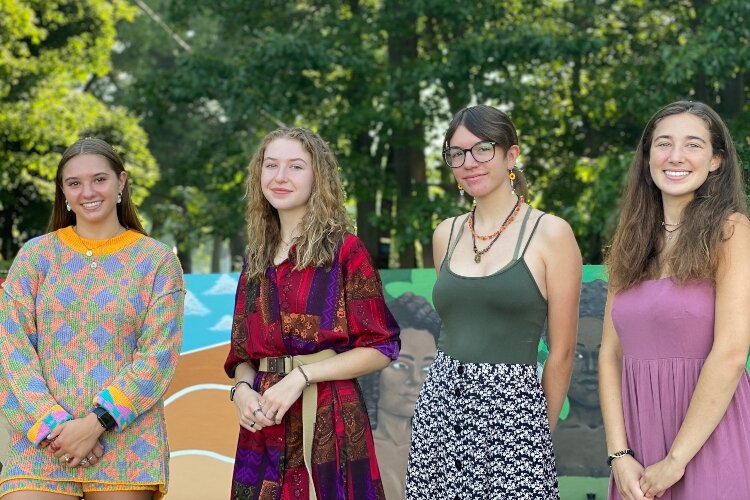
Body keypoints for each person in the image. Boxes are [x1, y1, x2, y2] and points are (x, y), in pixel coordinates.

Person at [405, 104, 581, 499]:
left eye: (483, 149)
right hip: (441, 408)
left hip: (516, 412)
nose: (470, 162)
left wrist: (535, 430)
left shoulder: (551, 233)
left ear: (511, 155)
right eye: (457, 153)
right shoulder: (444, 234)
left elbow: (563, 351)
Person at [0, 137, 185, 499]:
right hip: (41, 447)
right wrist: (59, 429)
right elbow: (13, 353)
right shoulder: (34, 257)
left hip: (128, 446)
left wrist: (96, 423)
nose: (88, 191)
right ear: (63, 192)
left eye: (99, 179)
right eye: (74, 183)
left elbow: (158, 358)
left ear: (121, 182)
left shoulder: (158, 262)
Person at [225, 127, 400, 500]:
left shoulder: (346, 252)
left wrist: (301, 376)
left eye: (296, 166)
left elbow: (381, 346)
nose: (280, 177)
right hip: (263, 429)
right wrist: (241, 390)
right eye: (271, 165)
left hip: (330, 420)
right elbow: (242, 357)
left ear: (318, 177)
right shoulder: (255, 258)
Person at [599, 101, 750, 499]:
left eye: (693, 145)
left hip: (710, 440)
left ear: (716, 160)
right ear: (648, 156)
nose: (676, 156)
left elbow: (732, 351)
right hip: (637, 450)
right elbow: (609, 354)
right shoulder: (630, 243)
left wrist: (675, 460)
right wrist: (619, 454)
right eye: (663, 144)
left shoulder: (731, 231)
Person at [360, 292, 440, 500]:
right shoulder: (351, 449)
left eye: (426, 367)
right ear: (373, 370)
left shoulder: (446, 446)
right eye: (401, 365)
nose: (414, 378)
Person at [553, 280, 609, 477]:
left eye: (601, 354)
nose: (591, 368)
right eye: (578, 355)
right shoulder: (543, 438)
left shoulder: (641, 437)